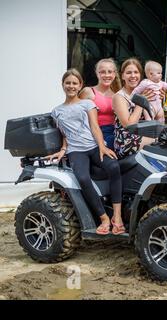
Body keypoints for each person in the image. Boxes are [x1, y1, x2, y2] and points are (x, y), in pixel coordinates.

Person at [46, 69, 125, 235]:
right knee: (82, 177)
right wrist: (63, 149)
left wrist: (102, 146)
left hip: (94, 146)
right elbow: (65, 133)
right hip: (76, 151)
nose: (71, 86)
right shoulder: (56, 111)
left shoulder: (87, 103)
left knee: (114, 167)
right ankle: (103, 218)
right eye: (68, 83)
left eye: (75, 83)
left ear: (80, 85)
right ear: (63, 85)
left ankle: (117, 217)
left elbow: (95, 126)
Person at [112, 58, 165, 159]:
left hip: (146, 136)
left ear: (140, 75)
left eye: (136, 72)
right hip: (126, 142)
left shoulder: (147, 92)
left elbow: (159, 119)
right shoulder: (119, 97)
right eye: (128, 73)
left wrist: (158, 102)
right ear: (122, 76)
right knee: (164, 141)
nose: (133, 76)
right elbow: (129, 125)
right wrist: (141, 102)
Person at [79, 58, 121, 150]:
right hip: (96, 134)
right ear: (97, 73)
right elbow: (76, 115)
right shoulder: (88, 91)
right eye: (102, 72)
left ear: (114, 74)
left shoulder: (117, 95)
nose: (107, 75)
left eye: (110, 72)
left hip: (114, 132)